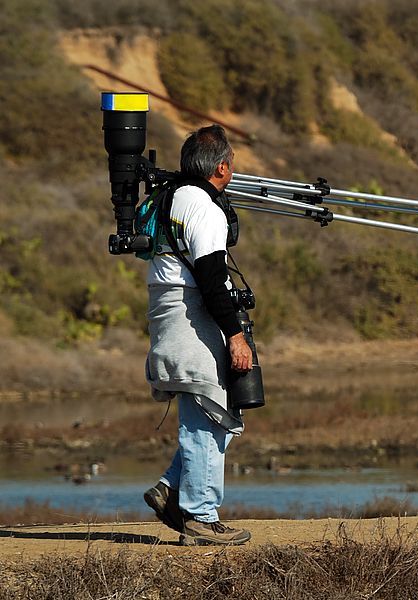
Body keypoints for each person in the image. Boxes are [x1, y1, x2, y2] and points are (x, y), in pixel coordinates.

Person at [142, 124, 253, 546]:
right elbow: (211, 278)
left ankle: (171, 489)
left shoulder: (170, 195)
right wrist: (235, 334)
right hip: (191, 310)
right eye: (232, 165)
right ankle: (201, 516)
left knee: (216, 408)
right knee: (207, 411)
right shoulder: (205, 207)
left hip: (167, 306)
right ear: (222, 167)